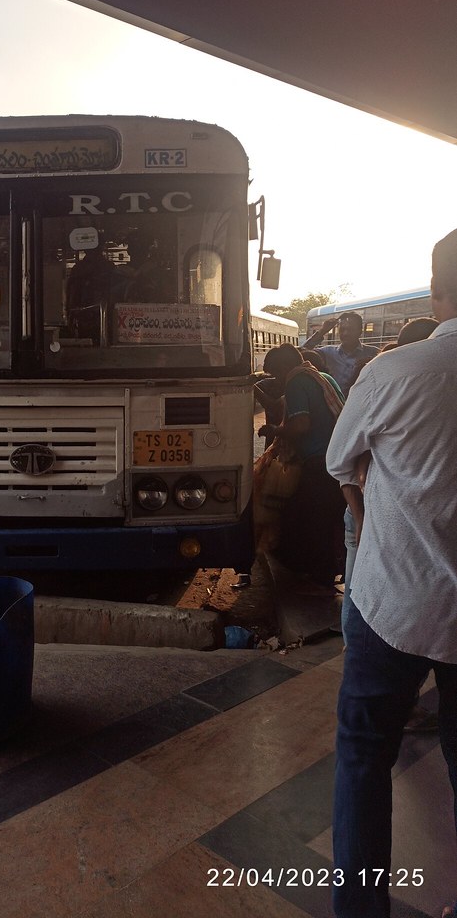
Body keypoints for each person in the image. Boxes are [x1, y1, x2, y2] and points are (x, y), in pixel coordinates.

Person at [326, 228, 457, 918]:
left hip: (394, 605)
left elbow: (338, 462)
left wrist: (372, 517)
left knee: (361, 760)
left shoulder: (392, 372)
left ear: (437, 293)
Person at [258, 342, 345, 594]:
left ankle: (319, 577)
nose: (277, 379)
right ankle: (330, 571)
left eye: (275, 372)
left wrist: (276, 431)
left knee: (312, 521)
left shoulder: (296, 381)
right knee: (331, 520)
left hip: (318, 462)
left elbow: (301, 425)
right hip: (338, 457)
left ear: (285, 366)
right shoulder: (323, 377)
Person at [302, 310, 379, 396]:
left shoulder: (374, 354)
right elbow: (301, 353)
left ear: (360, 331)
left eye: (350, 329)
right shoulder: (327, 353)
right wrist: (322, 331)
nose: (345, 333)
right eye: (342, 329)